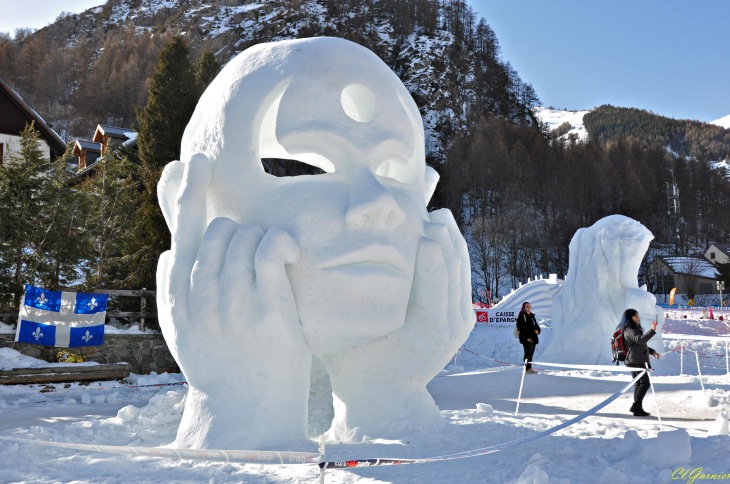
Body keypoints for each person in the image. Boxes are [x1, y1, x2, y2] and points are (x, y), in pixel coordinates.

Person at [620, 309, 661, 417]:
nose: (638, 318)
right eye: (635, 316)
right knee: (645, 383)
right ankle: (636, 406)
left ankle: (637, 408)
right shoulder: (629, 330)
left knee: (639, 384)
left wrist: (652, 351)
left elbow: (640, 344)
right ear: (629, 318)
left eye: (638, 315)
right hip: (636, 361)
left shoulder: (634, 329)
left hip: (637, 359)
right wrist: (652, 330)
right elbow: (640, 340)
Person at [517, 302, 541, 374]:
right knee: (527, 354)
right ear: (524, 308)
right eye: (527, 306)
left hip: (533, 338)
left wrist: (538, 331)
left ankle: (530, 368)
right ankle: (527, 369)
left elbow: (536, 326)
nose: (528, 307)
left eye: (529, 306)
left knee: (531, 354)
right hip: (527, 339)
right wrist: (526, 338)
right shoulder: (522, 316)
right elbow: (521, 328)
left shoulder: (532, 316)